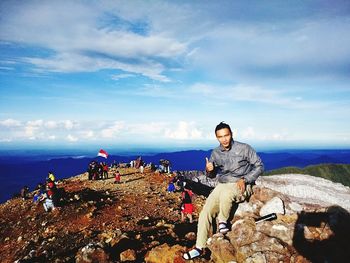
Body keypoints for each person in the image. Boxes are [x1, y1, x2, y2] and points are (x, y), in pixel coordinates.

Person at [183, 122, 264, 260]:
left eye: (226, 135)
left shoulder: (244, 148)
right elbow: (212, 175)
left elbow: (259, 166)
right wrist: (209, 170)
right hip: (222, 184)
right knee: (205, 213)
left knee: (227, 194)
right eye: (220, 137)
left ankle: (223, 223)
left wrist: (245, 178)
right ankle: (199, 247)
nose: (224, 139)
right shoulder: (215, 153)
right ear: (217, 138)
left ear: (231, 134)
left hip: (241, 183)